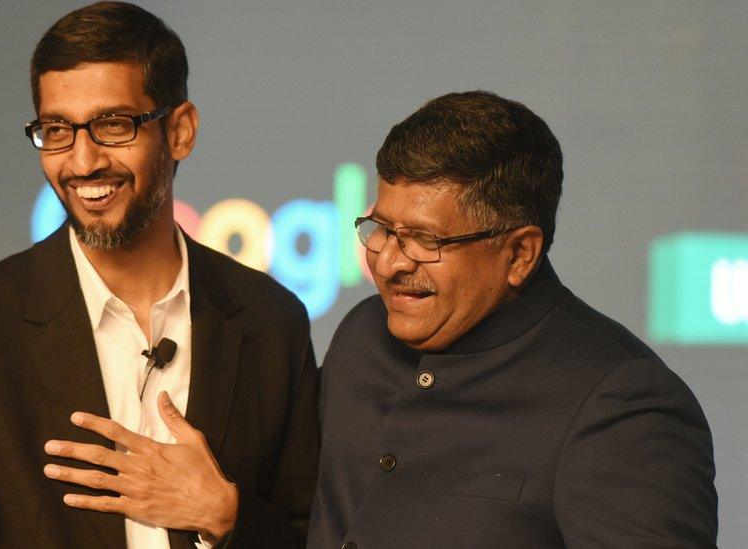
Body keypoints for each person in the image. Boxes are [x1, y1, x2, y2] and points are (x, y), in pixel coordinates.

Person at [0, 3, 319, 548]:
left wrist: (225, 516)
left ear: (180, 131)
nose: (82, 163)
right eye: (57, 130)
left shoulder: (273, 322)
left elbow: (312, 534)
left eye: (112, 125)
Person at [307, 91, 718, 548]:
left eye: (424, 240)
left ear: (520, 253)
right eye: (381, 230)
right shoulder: (362, 336)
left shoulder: (621, 405)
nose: (386, 264)